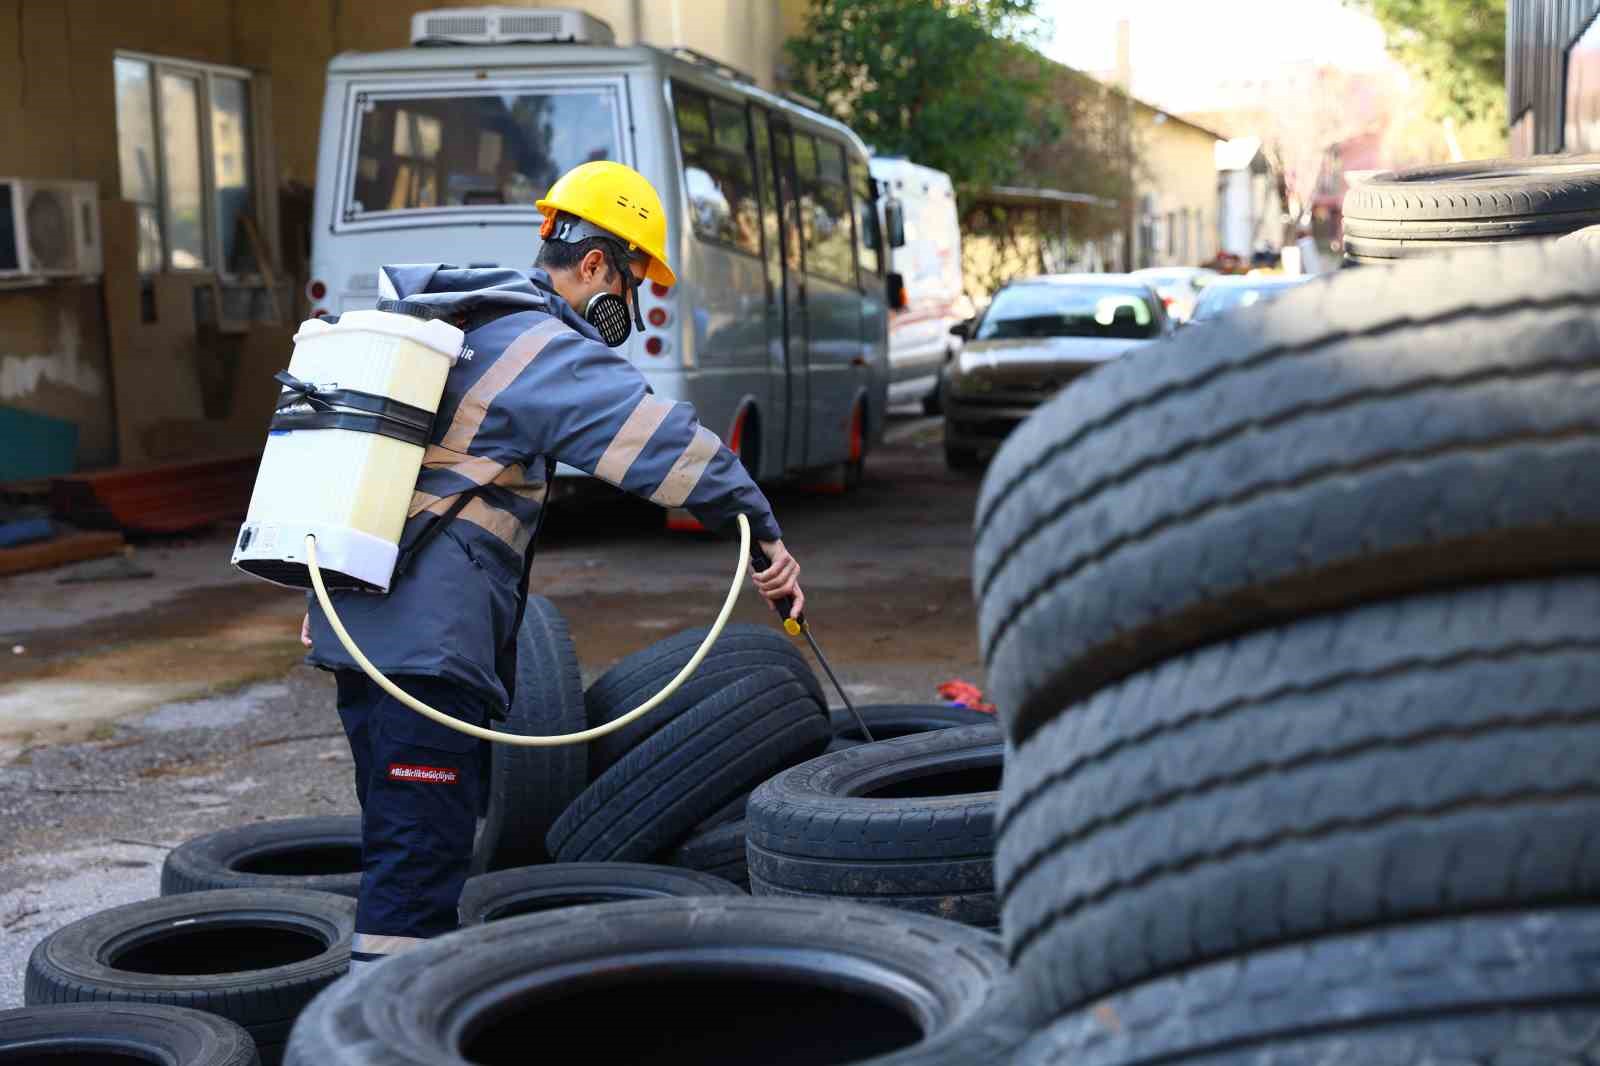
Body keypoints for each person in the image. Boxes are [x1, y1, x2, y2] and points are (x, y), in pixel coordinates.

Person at [297, 160, 803, 974]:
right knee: (416, 874)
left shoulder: (477, 321)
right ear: (598, 263)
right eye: (635, 275)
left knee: (405, 845)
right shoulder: (542, 345)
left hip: (369, 635)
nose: (633, 301)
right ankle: (375, 1035)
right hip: (422, 652)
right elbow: (665, 448)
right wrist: (766, 536)